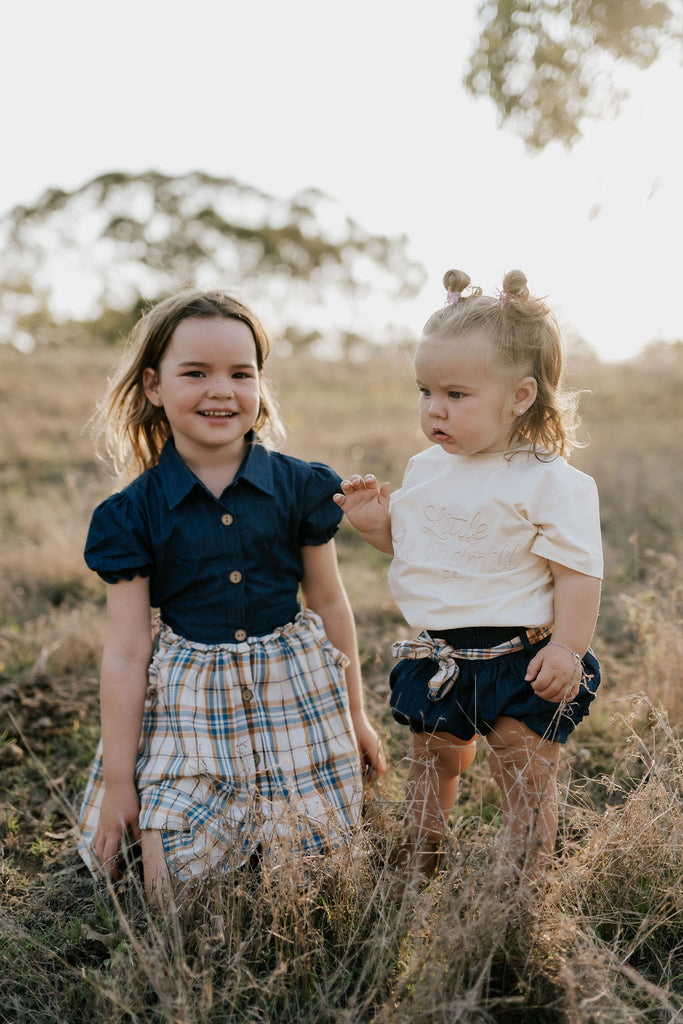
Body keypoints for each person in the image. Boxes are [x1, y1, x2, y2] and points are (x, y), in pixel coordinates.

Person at [77, 289, 385, 898]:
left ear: (260, 384)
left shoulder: (301, 486)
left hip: (293, 692)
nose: (221, 390)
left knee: (315, 882)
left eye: (241, 374)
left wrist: (355, 715)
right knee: (171, 894)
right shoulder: (131, 514)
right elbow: (127, 651)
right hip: (190, 703)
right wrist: (119, 782)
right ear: (153, 386)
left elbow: (327, 602)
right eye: (195, 373)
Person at [334, 268, 602, 879]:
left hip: (521, 656)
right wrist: (376, 525)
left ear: (520, 396)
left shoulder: (548, 480)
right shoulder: (427, 468)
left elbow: (578, 575)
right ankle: (420, 856)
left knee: (522, 770)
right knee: (432, 761)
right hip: (441, 654)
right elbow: (421, 550)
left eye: (457, 395)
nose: (435, 409)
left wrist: (567, 647)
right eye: (425, 391)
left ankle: (524, 880)